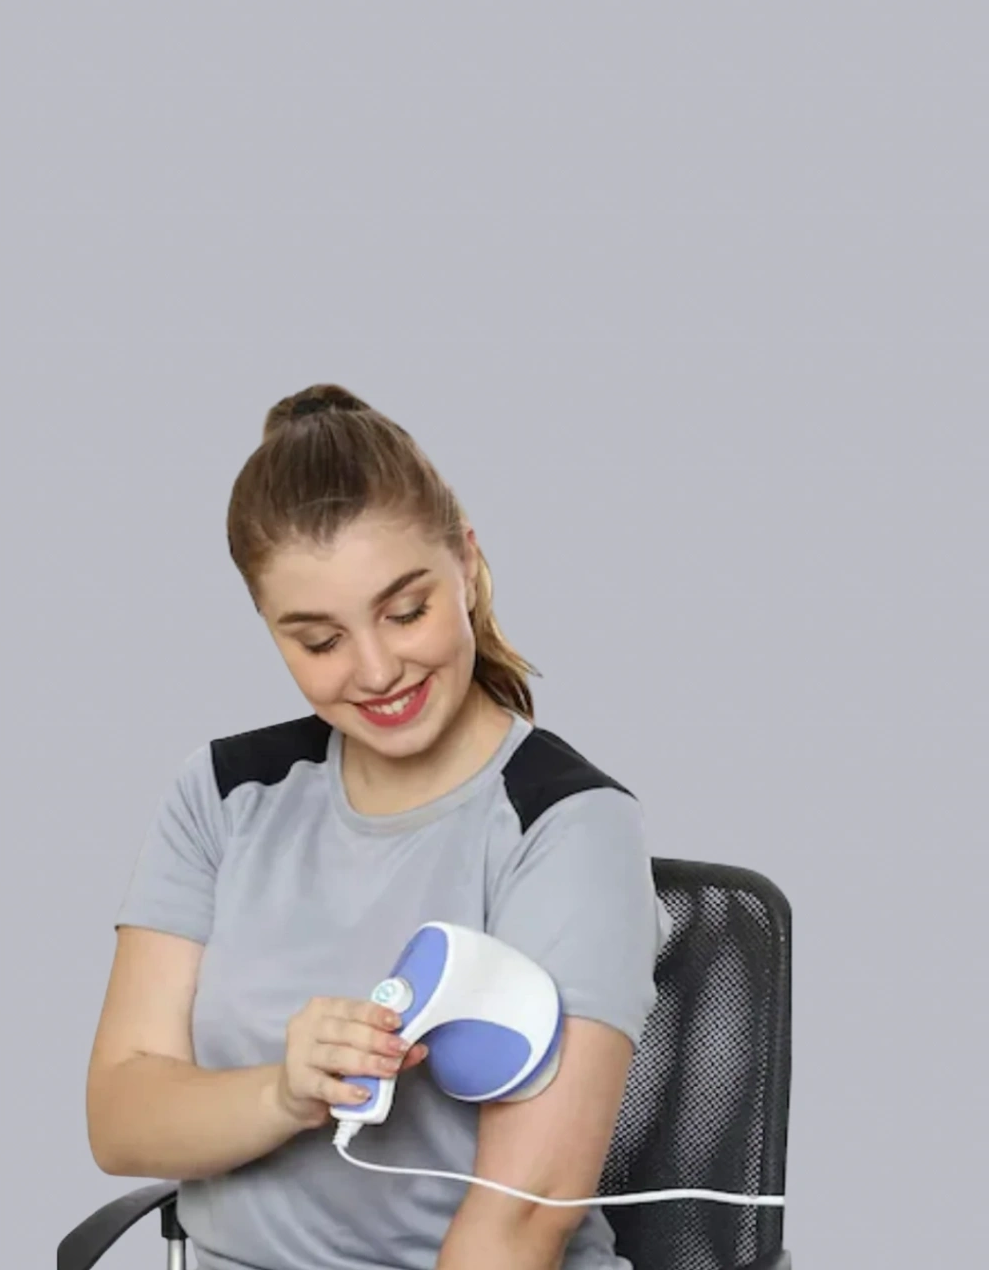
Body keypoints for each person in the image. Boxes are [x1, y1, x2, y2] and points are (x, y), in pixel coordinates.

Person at [86, 383, 673, 1270]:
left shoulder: (568, 825)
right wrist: (286, 1094)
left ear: (466, 562)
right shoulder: (224, 794)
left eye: (406, 612)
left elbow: (520, 1223)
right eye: (319, 642)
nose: (374, 670)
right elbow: (122, 1118)